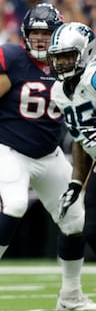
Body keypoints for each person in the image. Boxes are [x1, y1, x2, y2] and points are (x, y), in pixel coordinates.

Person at [0, 3, 96, 311]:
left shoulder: (72, 65)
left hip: (49, 154)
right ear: (24, 35)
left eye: (46, 34)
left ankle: (71, 294)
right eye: (34, 34)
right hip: (11, 150)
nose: (39, 41)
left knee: (75, 219)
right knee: (16, 205)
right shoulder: (12, 60)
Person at [47, 21, 96, 263]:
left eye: (68, 56)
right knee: (93, 231)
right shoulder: (59, 91)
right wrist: (76, 182)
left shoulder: (93, 78)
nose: (62, 63)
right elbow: (81, 137)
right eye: (58, 58)